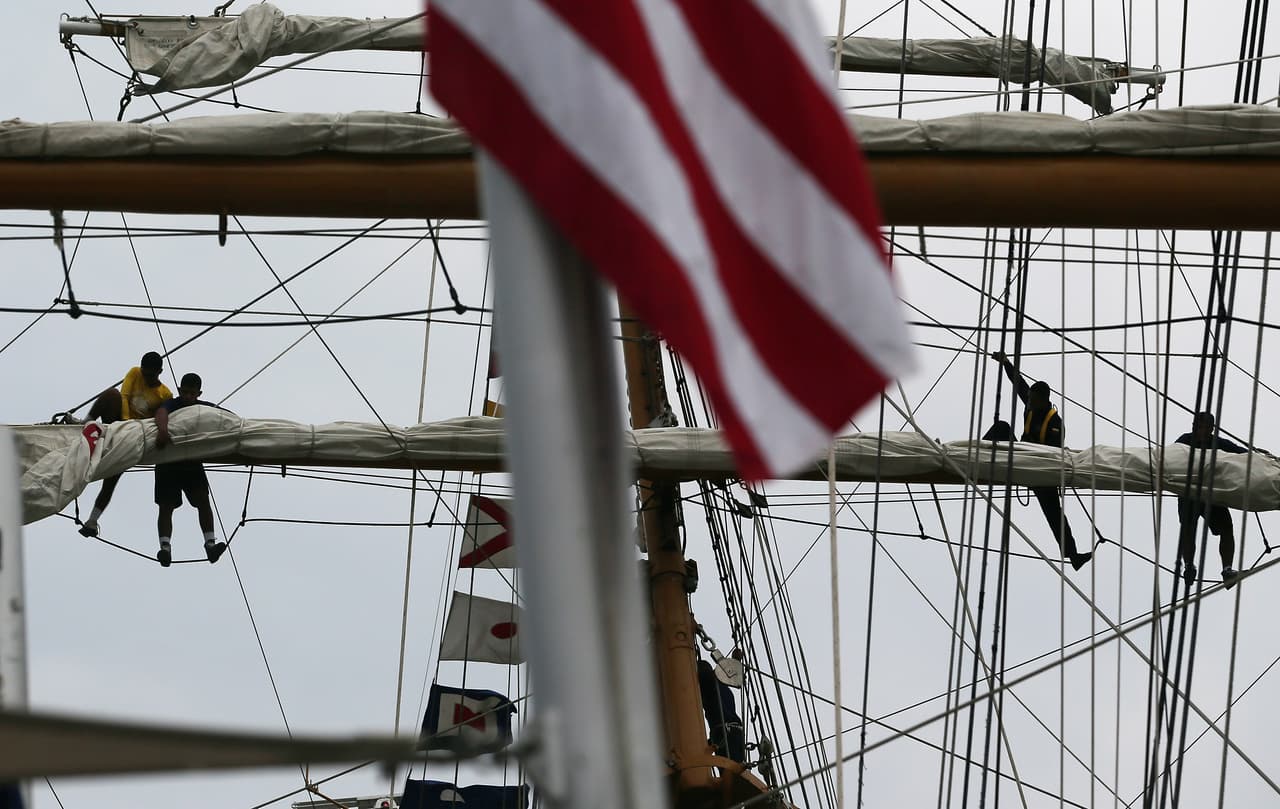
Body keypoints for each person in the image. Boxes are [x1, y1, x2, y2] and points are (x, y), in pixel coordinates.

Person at [985, 350, 1092, 571]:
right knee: (1002, 427)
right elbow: (1019, 384)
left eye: (1033, 401)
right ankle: (971, 454)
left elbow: (1055, 452)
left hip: (1043, 470)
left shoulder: (1056, 424)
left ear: (1044, 401)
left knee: (1054, 514)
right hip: (1022, 458)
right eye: (1029, 400)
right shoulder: (1031, 404)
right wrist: (1006, 362)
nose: (1029, 404)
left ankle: (1072, 555)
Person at [78, 351, 172, 538]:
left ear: (159, 372)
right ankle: (85, 424)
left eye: (150, 375)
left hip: (135, 434)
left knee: (112, 478)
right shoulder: (135, 372)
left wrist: (132, 430)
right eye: (144, 373)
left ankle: (92, 521)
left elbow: (159, 417)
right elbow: (124, 396)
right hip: (120, 419)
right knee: (111, 394)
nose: (145, 377)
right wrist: (124, 421)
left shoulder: (165, 394)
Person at [153, 372, 227, 568]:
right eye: (184, 392)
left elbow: (225, 416)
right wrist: (162, 430)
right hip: (168, 460)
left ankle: (210, 544)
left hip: (190, 461)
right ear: (179, 390)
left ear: (199, 393)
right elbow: (161, 412)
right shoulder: (173, 405)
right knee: (166, 505)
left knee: (202, 499)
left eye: (192, 394)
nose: (187, 397)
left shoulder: (203, 408)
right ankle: (165, 548)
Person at [1174, 411, 1250, 588]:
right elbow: (1171, 457)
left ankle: (1227, 569)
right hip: (1190, 494)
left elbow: (1244, 455)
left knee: (1226, 529)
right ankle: (1189, 566)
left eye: (1199, 426)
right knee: (1187, 529)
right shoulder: (1185, 440)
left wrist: (1259, 457)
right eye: (1194, 425)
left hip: (1211, 495)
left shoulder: (1220, 443)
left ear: (1210, 428)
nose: (1195, 429)